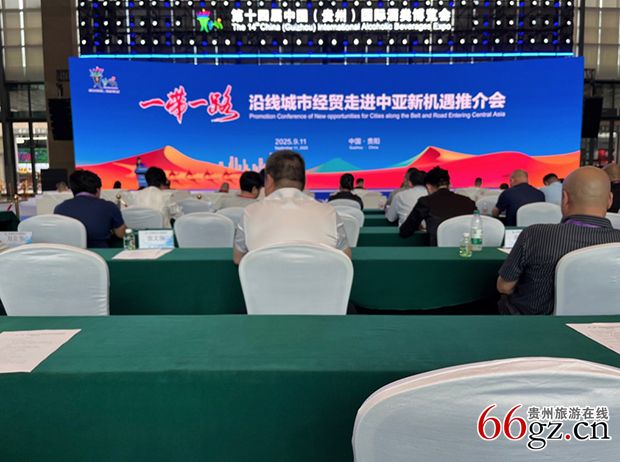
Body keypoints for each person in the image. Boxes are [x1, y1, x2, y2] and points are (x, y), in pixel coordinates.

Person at [497, 166, 620, 315]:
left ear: (565, 198)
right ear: (609, 200)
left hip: (532, 326)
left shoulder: (535, 235)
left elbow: (504, 287)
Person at [233, 150, 350, 264]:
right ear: (304, 181)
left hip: (265, 278)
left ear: (269, 180)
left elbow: (238, 259)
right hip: (318, 277)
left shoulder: (250, 213)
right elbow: (345, 258)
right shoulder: (329, 213)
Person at [399, 167, 476, 245]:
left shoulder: (425, 202)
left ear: (428, 186)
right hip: (467, 249)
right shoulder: (469, 202)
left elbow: (405, 231)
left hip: (438, 251)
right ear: (449, 185)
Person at [54, 170, 126, 248]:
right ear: (98, 190)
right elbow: (121, 234)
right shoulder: (109, 207)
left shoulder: (59, 209)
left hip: (70, 253)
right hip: (100, 253)